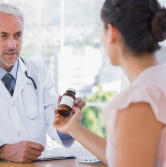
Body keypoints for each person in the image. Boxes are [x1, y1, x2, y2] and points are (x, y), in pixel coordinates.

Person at [0, 3, 85, 163]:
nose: (12, 44)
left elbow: (54, 126)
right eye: (3, 36)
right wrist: (3, 150)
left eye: (17, 35)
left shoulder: (39, 74)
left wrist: (66, 124)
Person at [53, 0, 166, 167]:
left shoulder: (138, 102)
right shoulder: (159, 81)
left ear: (112, 32)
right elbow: (126, 154)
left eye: (101, 30)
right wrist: (73, 128)